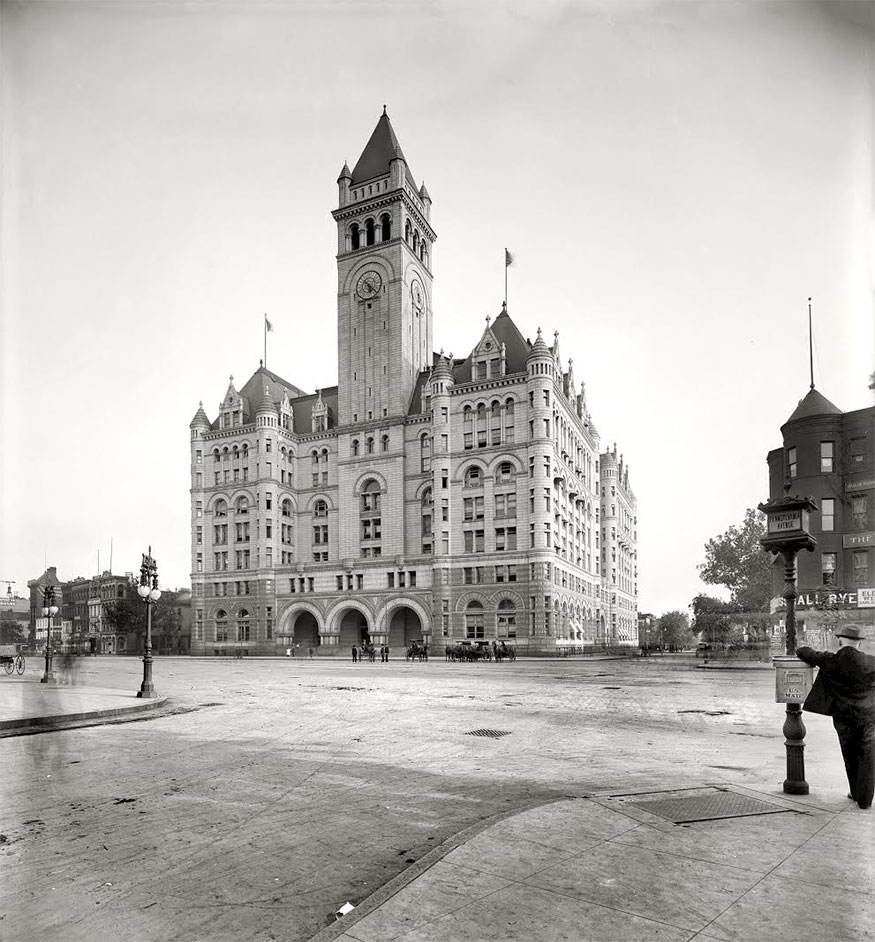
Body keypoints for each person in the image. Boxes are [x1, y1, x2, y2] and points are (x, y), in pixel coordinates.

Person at [797, 625, 875, 810]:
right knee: (868, 756)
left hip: (842, 716)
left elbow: (803, 651)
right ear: (859, 643)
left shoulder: (830, 659)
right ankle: (864, 800)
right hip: (868, 716)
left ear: (840, 640)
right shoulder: (871, 662)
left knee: (849, 754)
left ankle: (855, 792)